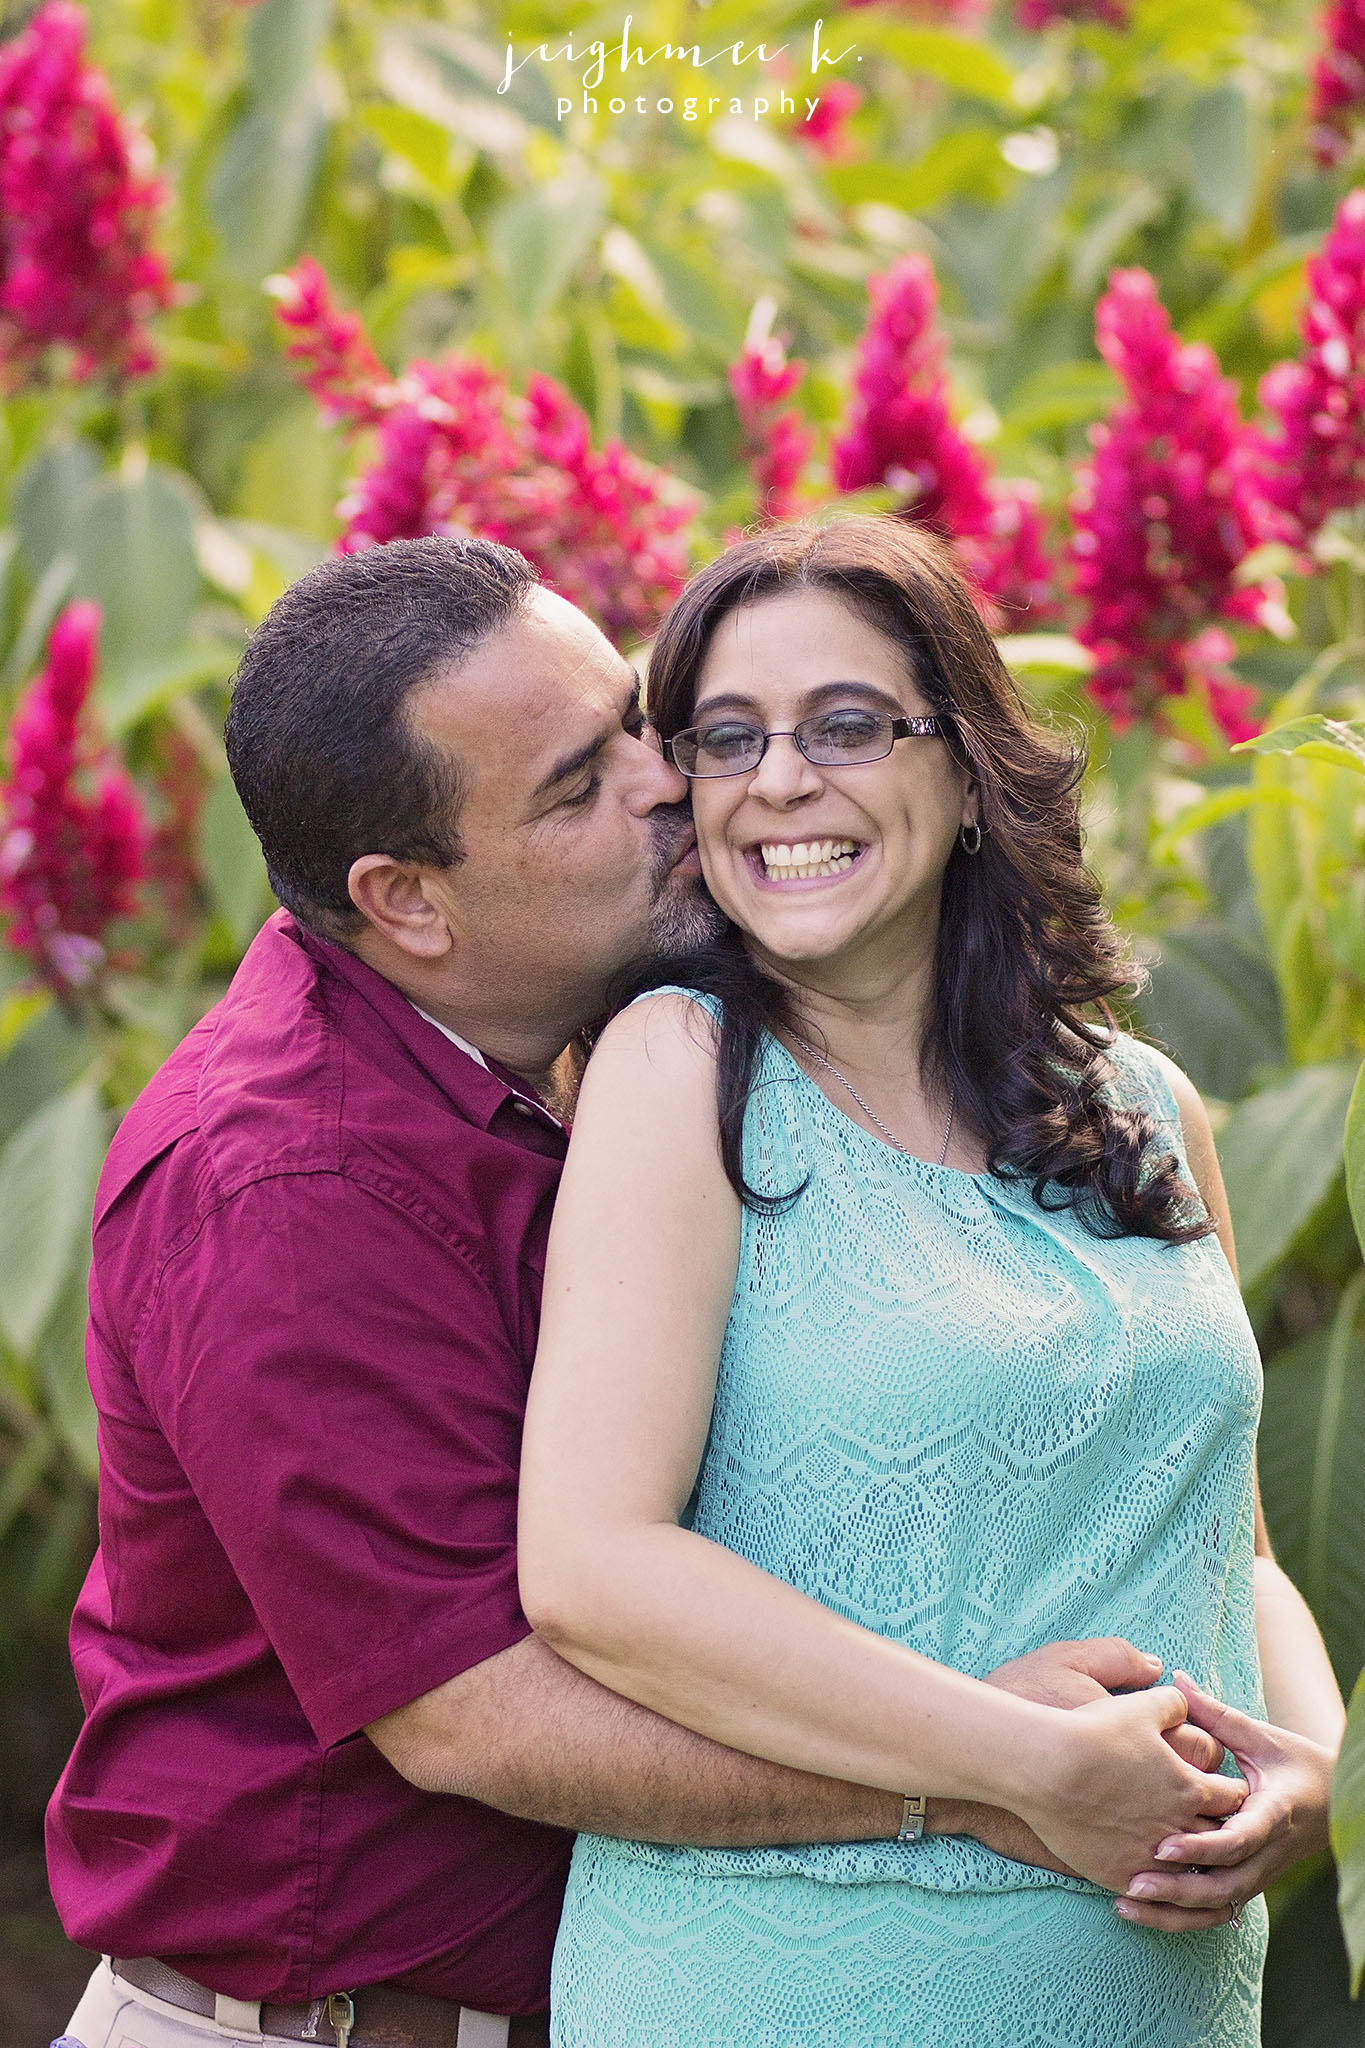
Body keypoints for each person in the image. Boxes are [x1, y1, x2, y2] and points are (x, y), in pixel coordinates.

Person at [48, 535, 1204, 2048]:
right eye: (578, 787)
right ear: (407, 904)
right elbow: (475, 1711)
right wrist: (983, 1776)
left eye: (638, 725)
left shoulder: (634, 1054)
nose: (674, 786)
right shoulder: (282, 1181)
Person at [517, 515, 1346, 2048]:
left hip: (1151, 1995)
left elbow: (1231, 1548)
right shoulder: (677, 1071)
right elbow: (592, 1570)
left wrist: (1314, 1758)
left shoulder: (1144, 1107)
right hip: (783, 1982)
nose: (777, 780)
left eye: (844, 725)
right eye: (724, 738)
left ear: (965, 771)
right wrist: (1018, 1765)